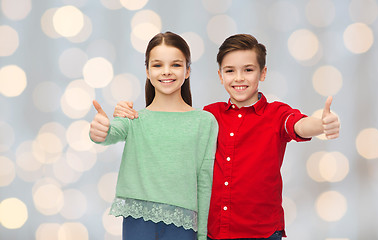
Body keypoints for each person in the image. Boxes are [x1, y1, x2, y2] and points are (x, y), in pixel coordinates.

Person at [113, 33, 340, 240]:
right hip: (215, 232)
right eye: (230, 71)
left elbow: (298, 126)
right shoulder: (209, 115)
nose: (239, 78)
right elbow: (173, 131)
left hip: (261, 232)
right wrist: (126, 114)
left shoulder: (276, 114)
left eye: (248, 70)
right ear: (220, 76)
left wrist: (321, 123)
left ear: (263, 73)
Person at [89, 31, 218, 240]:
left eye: (175, 65)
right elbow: (110, 133)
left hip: (184, 226)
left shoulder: (205, 122)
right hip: (138, 223)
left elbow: (205, 181)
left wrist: (203, 235)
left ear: (187, 71)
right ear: (147, 71)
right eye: (158, 65)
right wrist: (99, 130)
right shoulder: (132, 118)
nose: (166, 71)